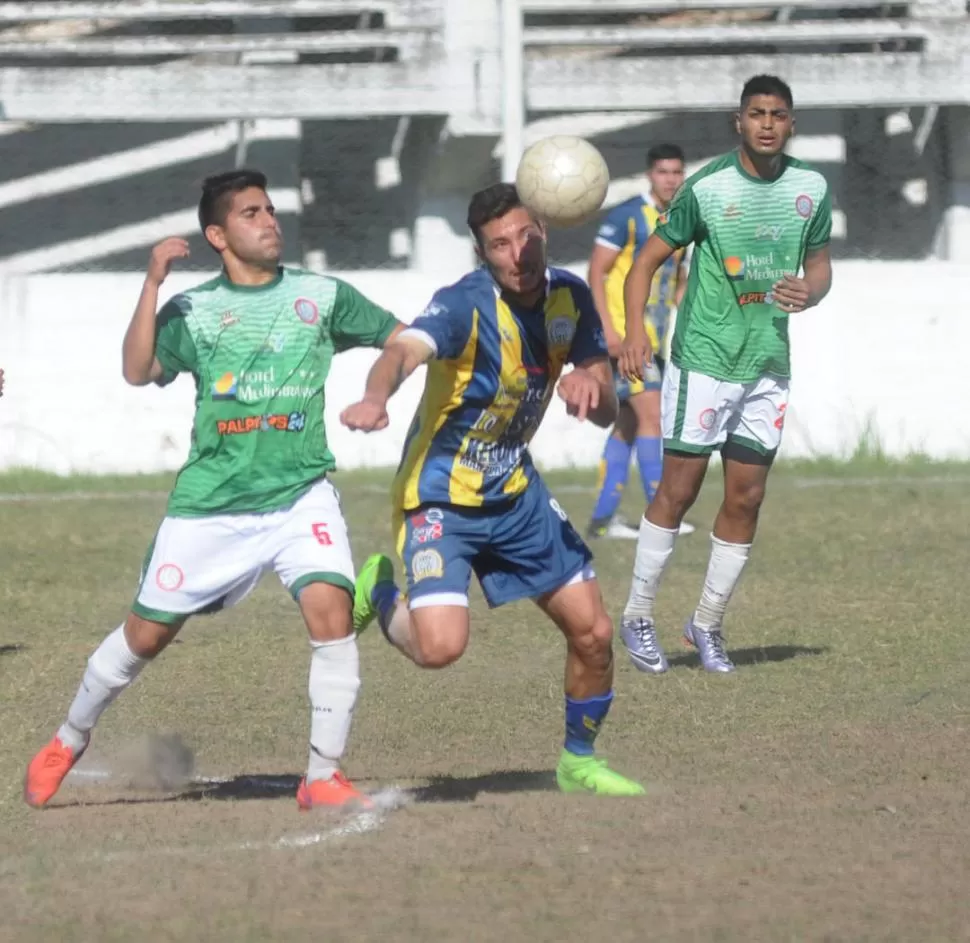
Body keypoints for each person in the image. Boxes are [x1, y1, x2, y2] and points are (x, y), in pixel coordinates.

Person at [24, 169, 404, 810]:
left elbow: (401, 338)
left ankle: (323, 776)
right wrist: (150, 284)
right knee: (144, 637)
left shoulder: (320, 295)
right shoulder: (194, 310)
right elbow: (137, 370)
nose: (270, 221)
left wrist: (379, 391)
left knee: (332, 618)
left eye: (271, 209)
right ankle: (69, 738)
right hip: (211, 505)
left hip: (299, 491)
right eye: (252, 213)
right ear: (218, 234)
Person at [341, 182, 645, 797]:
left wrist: (594, 390)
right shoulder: (463, 306)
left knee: (595, 633)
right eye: (499, 245)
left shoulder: (573, 297)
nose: (516, 253)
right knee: (440, 650)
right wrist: (376, 396)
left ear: (544, 231)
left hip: (516, 495)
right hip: (440, 501)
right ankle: (378, 588)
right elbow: (403, 352)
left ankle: (578, 760)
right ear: (484, 255)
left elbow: (611, 405)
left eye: (524, 236)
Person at [617, 74, 832, 675]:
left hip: (768, 363)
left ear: (792, 124)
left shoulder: (812, 188)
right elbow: (646, 263)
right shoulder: (707, 187)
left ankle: (706, 624)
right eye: (757, 113)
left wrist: (808, 291)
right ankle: (637, 615)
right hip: (705, 359)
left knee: (748, 495)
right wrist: (637, 333)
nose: (767, 123)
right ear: (738, 122)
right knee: (679, 490)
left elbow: (820, 268)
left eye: (779, 114)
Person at [586, 143, 694, 540]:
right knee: (652, 417)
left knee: (628, 425)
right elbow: (595, 273)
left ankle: (603, 519)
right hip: (627, 341)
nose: (670, 180)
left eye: (677, 173)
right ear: (651, 175)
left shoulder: (679, 222)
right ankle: (661, 516)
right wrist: (609, 331)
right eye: (664, 172)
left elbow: (677, 284)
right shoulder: (628, 217)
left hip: (656, 343)